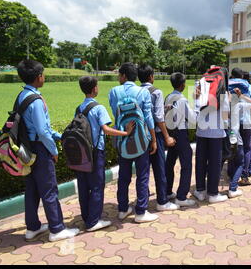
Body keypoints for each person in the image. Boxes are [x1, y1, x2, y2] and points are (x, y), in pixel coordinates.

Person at [17, 60, 80, 242]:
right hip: (40, 149)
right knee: (49, 190)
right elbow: (43, 131)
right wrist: (54, 150)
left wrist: (59, 135)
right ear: (38, 77)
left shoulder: (22, 95)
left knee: (32, 190)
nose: (44, 77)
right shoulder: (36, 101)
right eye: (43, 74)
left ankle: (33, 227)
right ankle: (57, 229)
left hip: (27, 149)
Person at [76, 76, 135, 232]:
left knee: (84, 185)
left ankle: (86, 217)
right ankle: (93, 221)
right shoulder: (98, 108)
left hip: (82, 152)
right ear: (95, 88)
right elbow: (106, 129)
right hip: (95, 151)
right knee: (96, 185)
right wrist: (125, 132)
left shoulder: (79, 107)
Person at [109, 63, 158, 223]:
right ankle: (141, 211)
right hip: (141, 140)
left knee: (124, 176)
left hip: (123, 138)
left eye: (119, 75)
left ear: (123, 76)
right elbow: (149, 117)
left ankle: (123, 209)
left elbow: (115, 114)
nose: (118, 77)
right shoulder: (143, 92)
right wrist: (153, 139)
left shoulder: (114, 91)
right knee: (142, 176)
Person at [138, 64, 179, 212]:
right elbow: (158, 117)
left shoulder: (137, 91)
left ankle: (142, 199)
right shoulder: (157, 92)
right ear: (151, 77)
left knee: (143, 170)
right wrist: (167, 136)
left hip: (140, 135)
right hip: (156, 134)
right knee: (159, 168)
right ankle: (162, 200)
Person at [194, 67, 230, 204]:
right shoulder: (223, 89)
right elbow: (226, 113)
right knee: (215, 162)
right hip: (216, 131)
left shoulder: (200, 83)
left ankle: (200, 191)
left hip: (201, 130)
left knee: (200, 160)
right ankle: (213, 193)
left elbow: (195, 107)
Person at [165, 73, 198, 207]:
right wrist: (196, 104)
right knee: (186, 164)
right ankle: (181, 196)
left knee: (170, 163)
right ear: (183, 85)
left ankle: (167, 191)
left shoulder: (167, 97)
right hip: (181, 133)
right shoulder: (183, 100)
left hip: (170, 132)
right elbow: (193, 119)